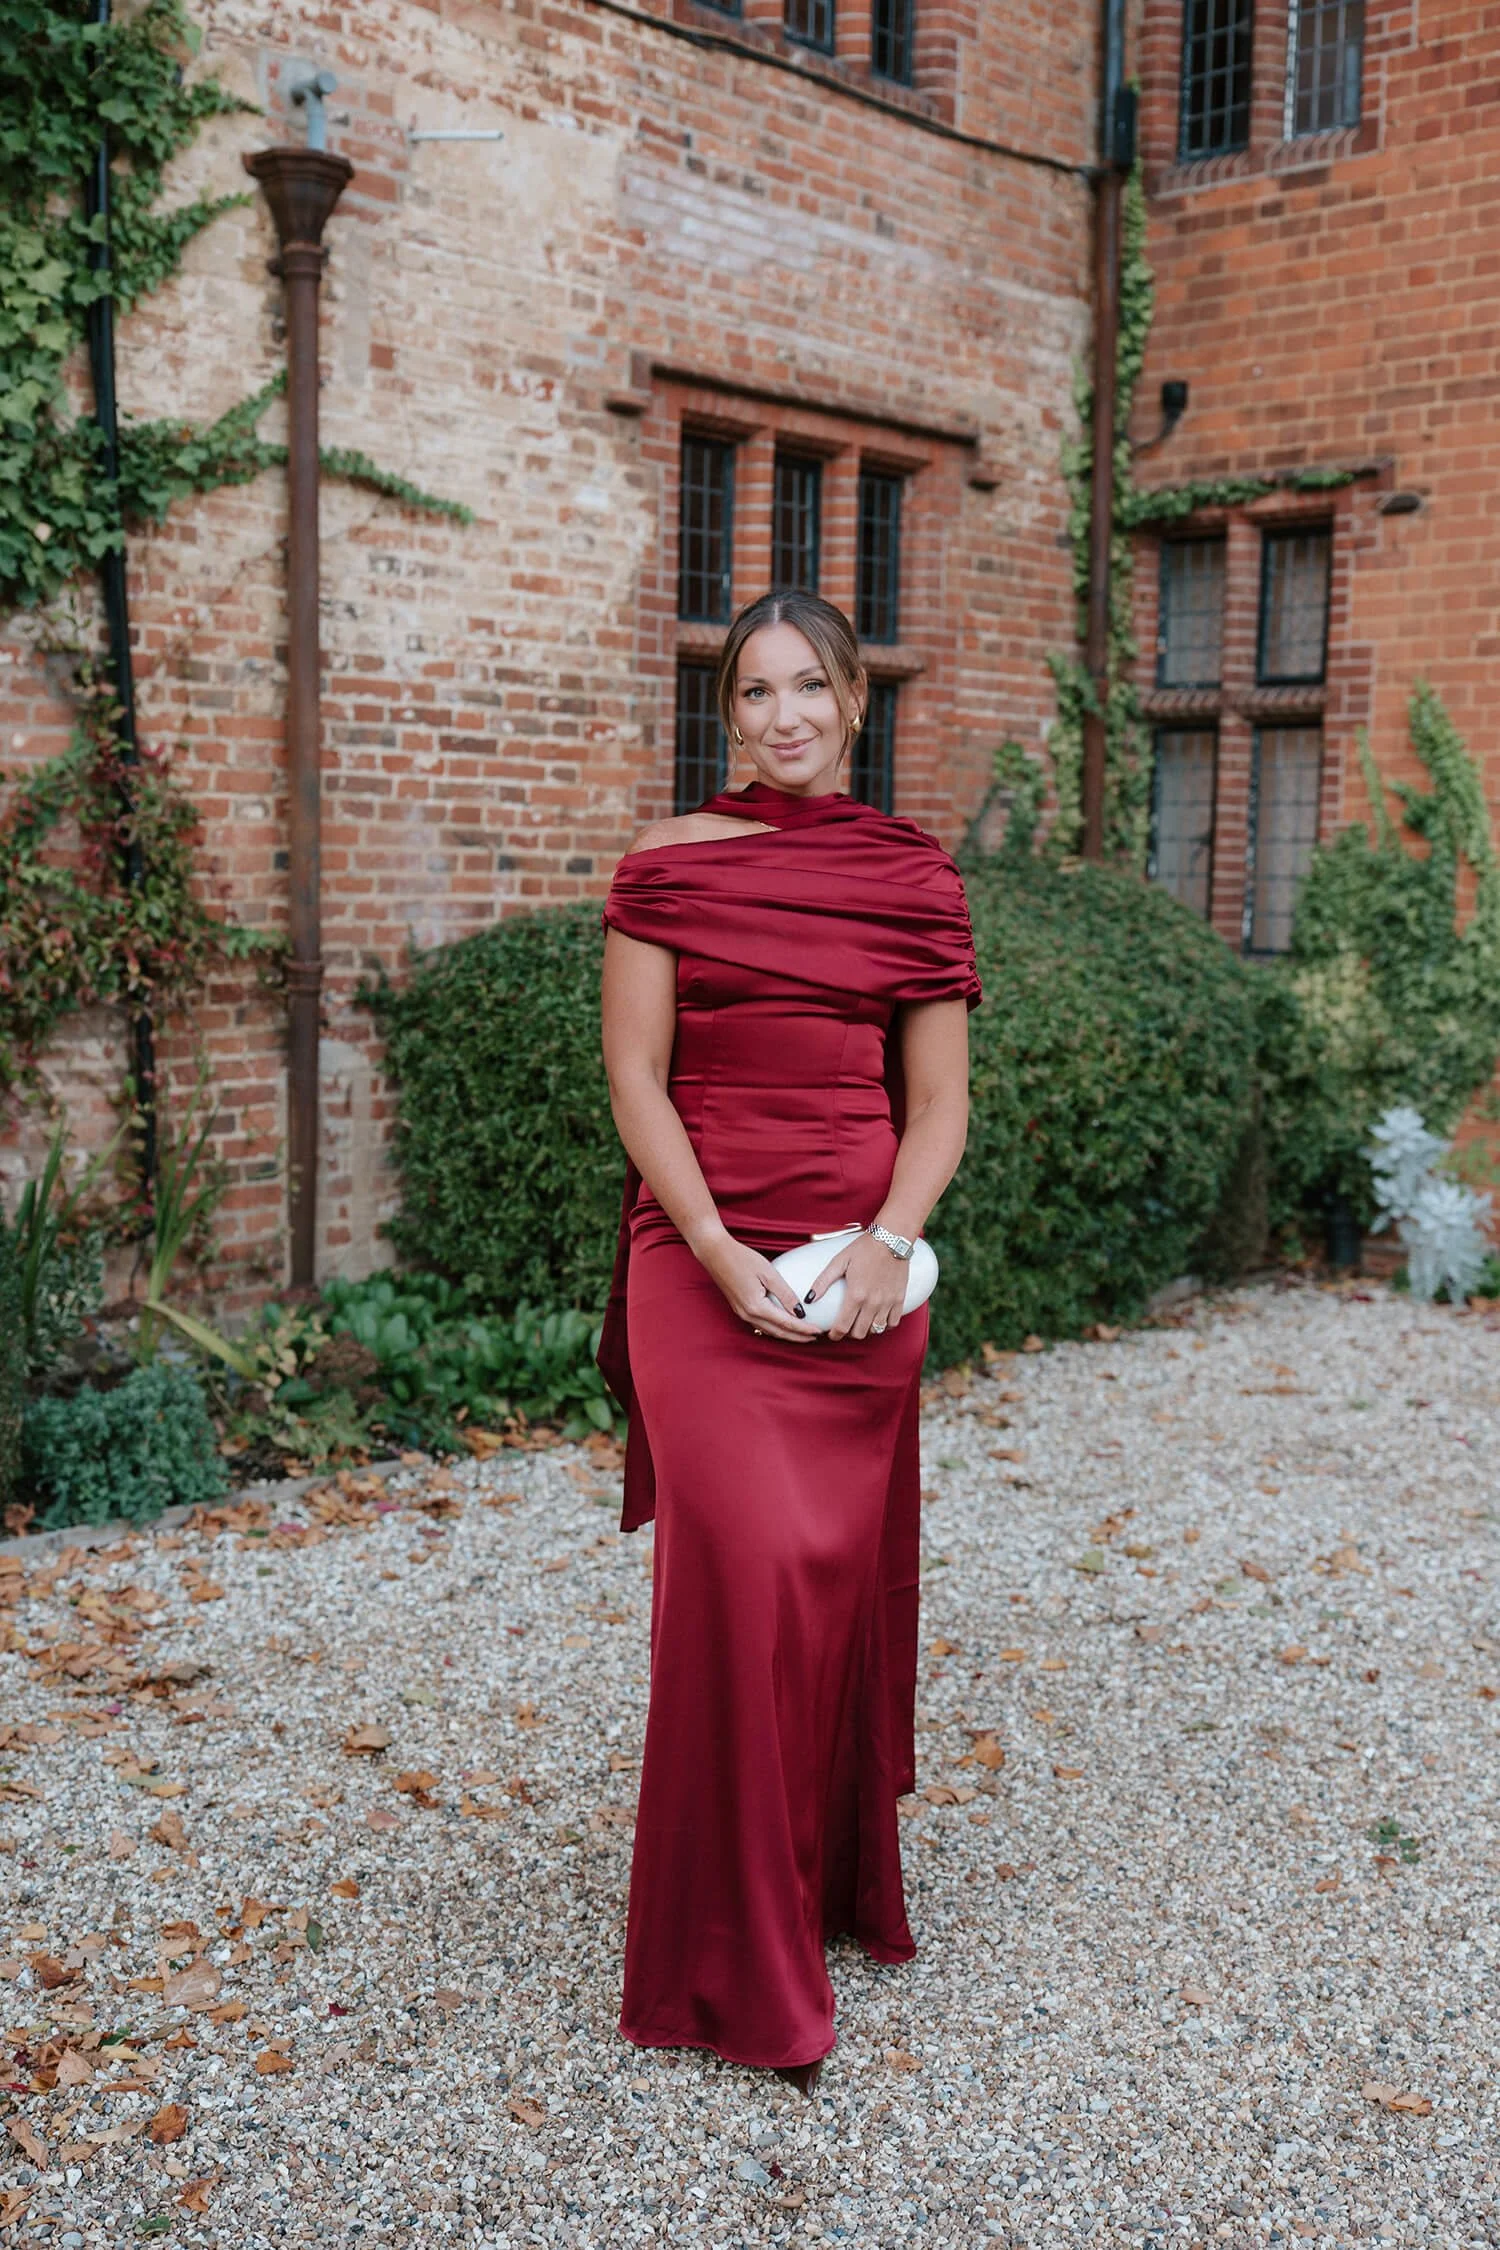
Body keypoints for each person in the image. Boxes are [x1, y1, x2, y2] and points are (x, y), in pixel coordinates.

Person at [596, 589, 981, 2094]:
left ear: (853, 703)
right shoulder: (664, 868)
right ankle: (737, 1964)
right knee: (741, 1581)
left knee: (826, 1593)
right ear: (728, 714)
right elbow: (638, 1077)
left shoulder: (916, 880)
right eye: (752, 692)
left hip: (859, 1271)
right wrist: (710, 1248)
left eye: (806, 685)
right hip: (697, 1261)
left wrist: (888, 1244)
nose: (781, 716)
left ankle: (818, 1884)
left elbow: (938, 1104)